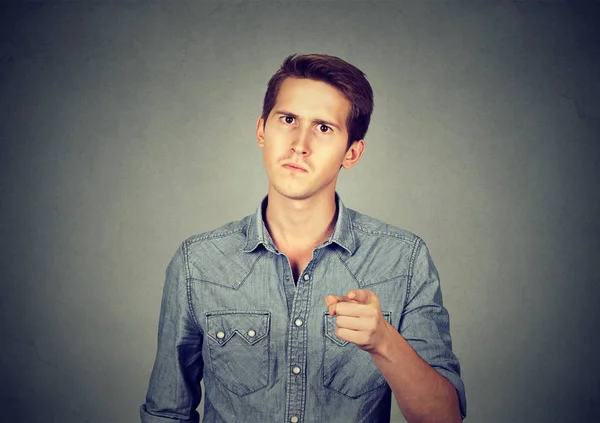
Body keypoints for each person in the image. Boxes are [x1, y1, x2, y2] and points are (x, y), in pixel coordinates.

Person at [140, 54, 466, 423]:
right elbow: (167, 412)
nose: (300, 143)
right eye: (288, 119)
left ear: (353, 152)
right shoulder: (196, 262)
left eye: (324, 128)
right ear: (262, 129)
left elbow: (445, 418)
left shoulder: (403, 260)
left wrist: (384, 343)